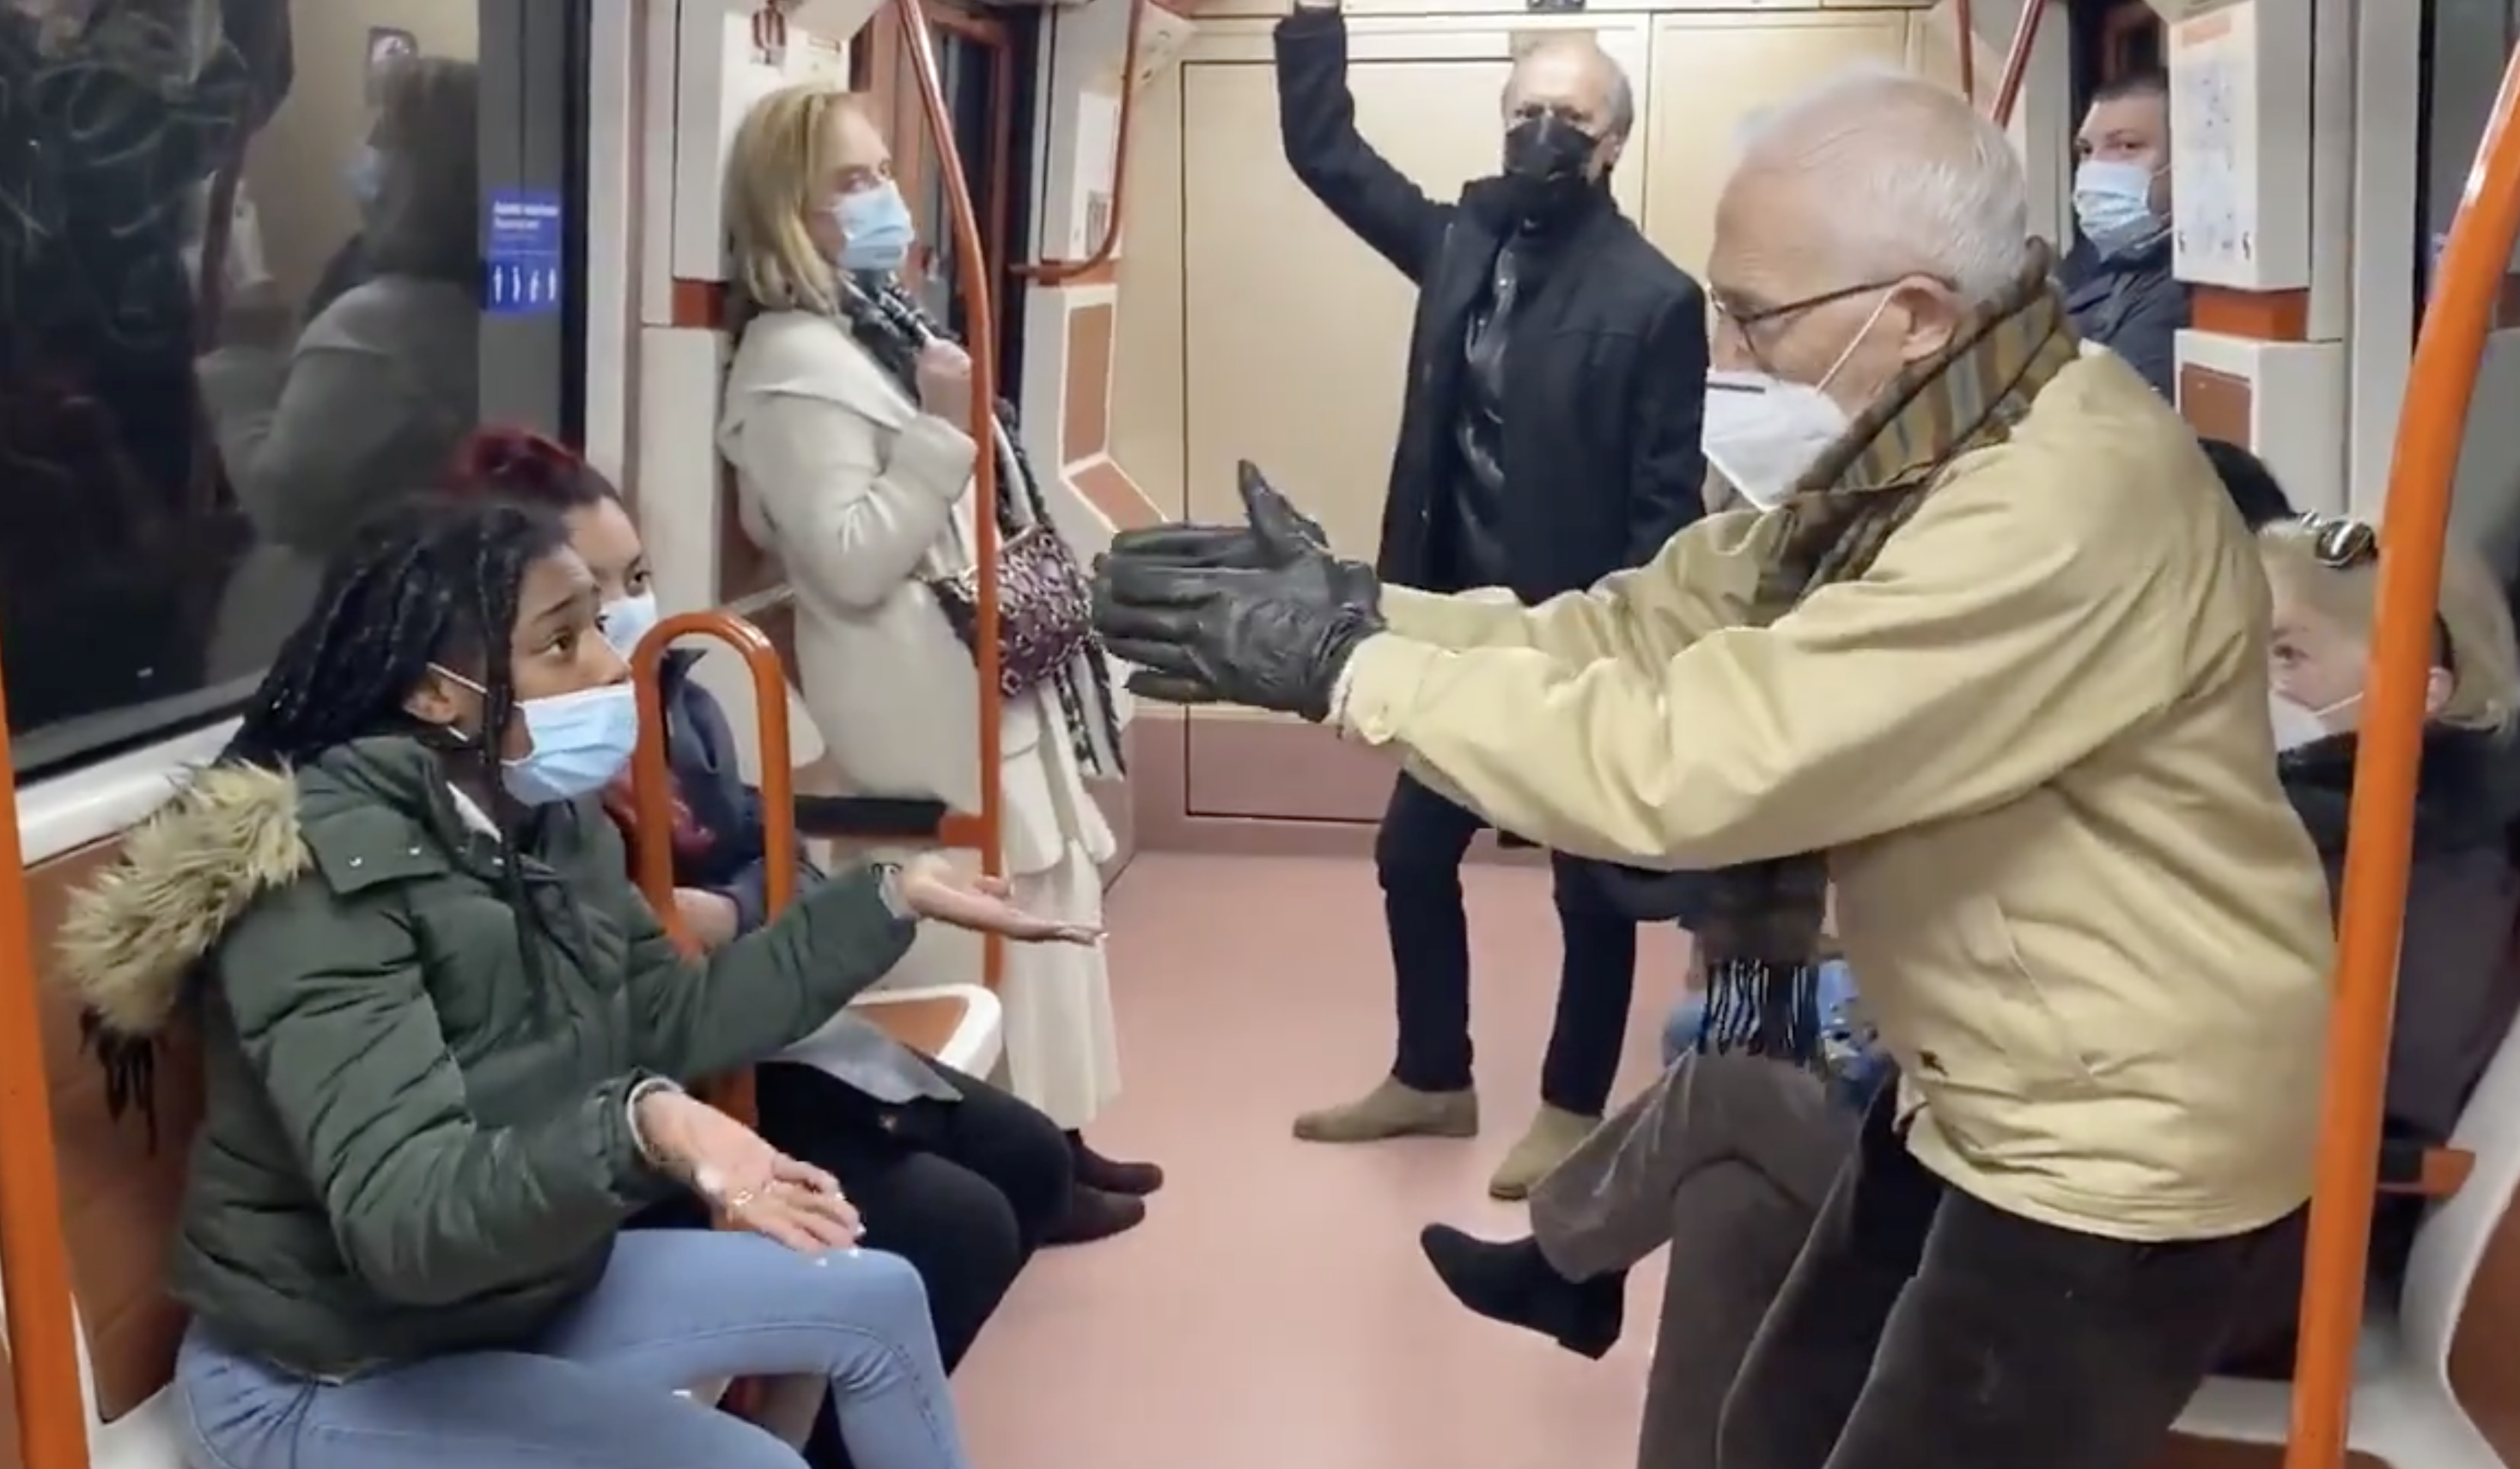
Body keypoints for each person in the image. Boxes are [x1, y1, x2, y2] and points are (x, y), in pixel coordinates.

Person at [1095, 65, 2336, 1469]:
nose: (1729, 359)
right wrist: (1363, 607)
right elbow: (1649, 622)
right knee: (1769, 1431)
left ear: (1914, 313)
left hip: (2118, 1148)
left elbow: (1693, 761)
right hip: (1986, 1087)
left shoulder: (2050, 508)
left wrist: (1341, 671)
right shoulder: (1933, 435)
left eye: (1754, 318)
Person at [1423, 459, 2517, 1469]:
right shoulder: (2321, 814)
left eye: (2285, 657)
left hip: (2212, 1244)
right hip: (2151, 1183)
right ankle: (1582, 1281)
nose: (2245, 682)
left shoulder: (2398, 858)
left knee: (1729, 1090)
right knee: (1733, 1194)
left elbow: (2342, 1085)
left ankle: (1567, 1263)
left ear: (2420, 688)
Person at [52, 493, 1095, 1469]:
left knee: (879, 1301)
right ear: (432, 691)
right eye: (561, 642)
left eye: (599, 626)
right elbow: (406, 1222)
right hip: (330, 1367)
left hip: (512, 1299)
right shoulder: (323, 880)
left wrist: (885, 901)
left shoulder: (540, 818)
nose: (610, 664)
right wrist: (645, 1127)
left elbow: (673, 1017)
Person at [442, 427, 1116, 1338]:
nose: (622, 632)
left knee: (1030, 1161)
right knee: (958, 1228)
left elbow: (777, 858)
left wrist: (722, 913)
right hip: (648, 1101)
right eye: (585, 611)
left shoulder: (677, 705)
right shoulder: (511, 799)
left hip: (745, 1031)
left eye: (636, 582)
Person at [1271, 0, 1711, 1198]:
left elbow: (1665, 501)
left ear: (1614, 143)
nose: (1543, 133)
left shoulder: (1656, 297)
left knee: (1591, 885)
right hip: (1447, 629)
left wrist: (1641, 656)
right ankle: (1433, 1074)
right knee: (1413, 855)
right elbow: (1331, 157)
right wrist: (1313, 23)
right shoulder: (1463, 240)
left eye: (1570, 118)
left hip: (1577, 640)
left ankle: (1572, 1108)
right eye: (1527, 112)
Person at [716, 81, 1156, 1230]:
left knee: (1047, 887)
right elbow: (851, 558)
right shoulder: (789, 368)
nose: (886, 205)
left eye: (882, 175)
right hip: (911, 685)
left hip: (979, 669)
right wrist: (939, 432)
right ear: (786, 214)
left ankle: (1060, 1133)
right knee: (988, 904)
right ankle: (1022, 1161)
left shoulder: (873, 326)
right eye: (850, 184)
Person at [200, 56, 482, 672]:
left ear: (429, 174)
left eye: (385, 136)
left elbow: (286, 495)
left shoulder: (380, 330)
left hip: (318, 637)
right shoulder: (478, 314)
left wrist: (242, 354)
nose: (365, 154)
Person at [2064, 69, 2187, 400]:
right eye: (2086, 151)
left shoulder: (2180, 289)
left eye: (2127, 146)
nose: (2096, 168)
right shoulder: (2085, 263)